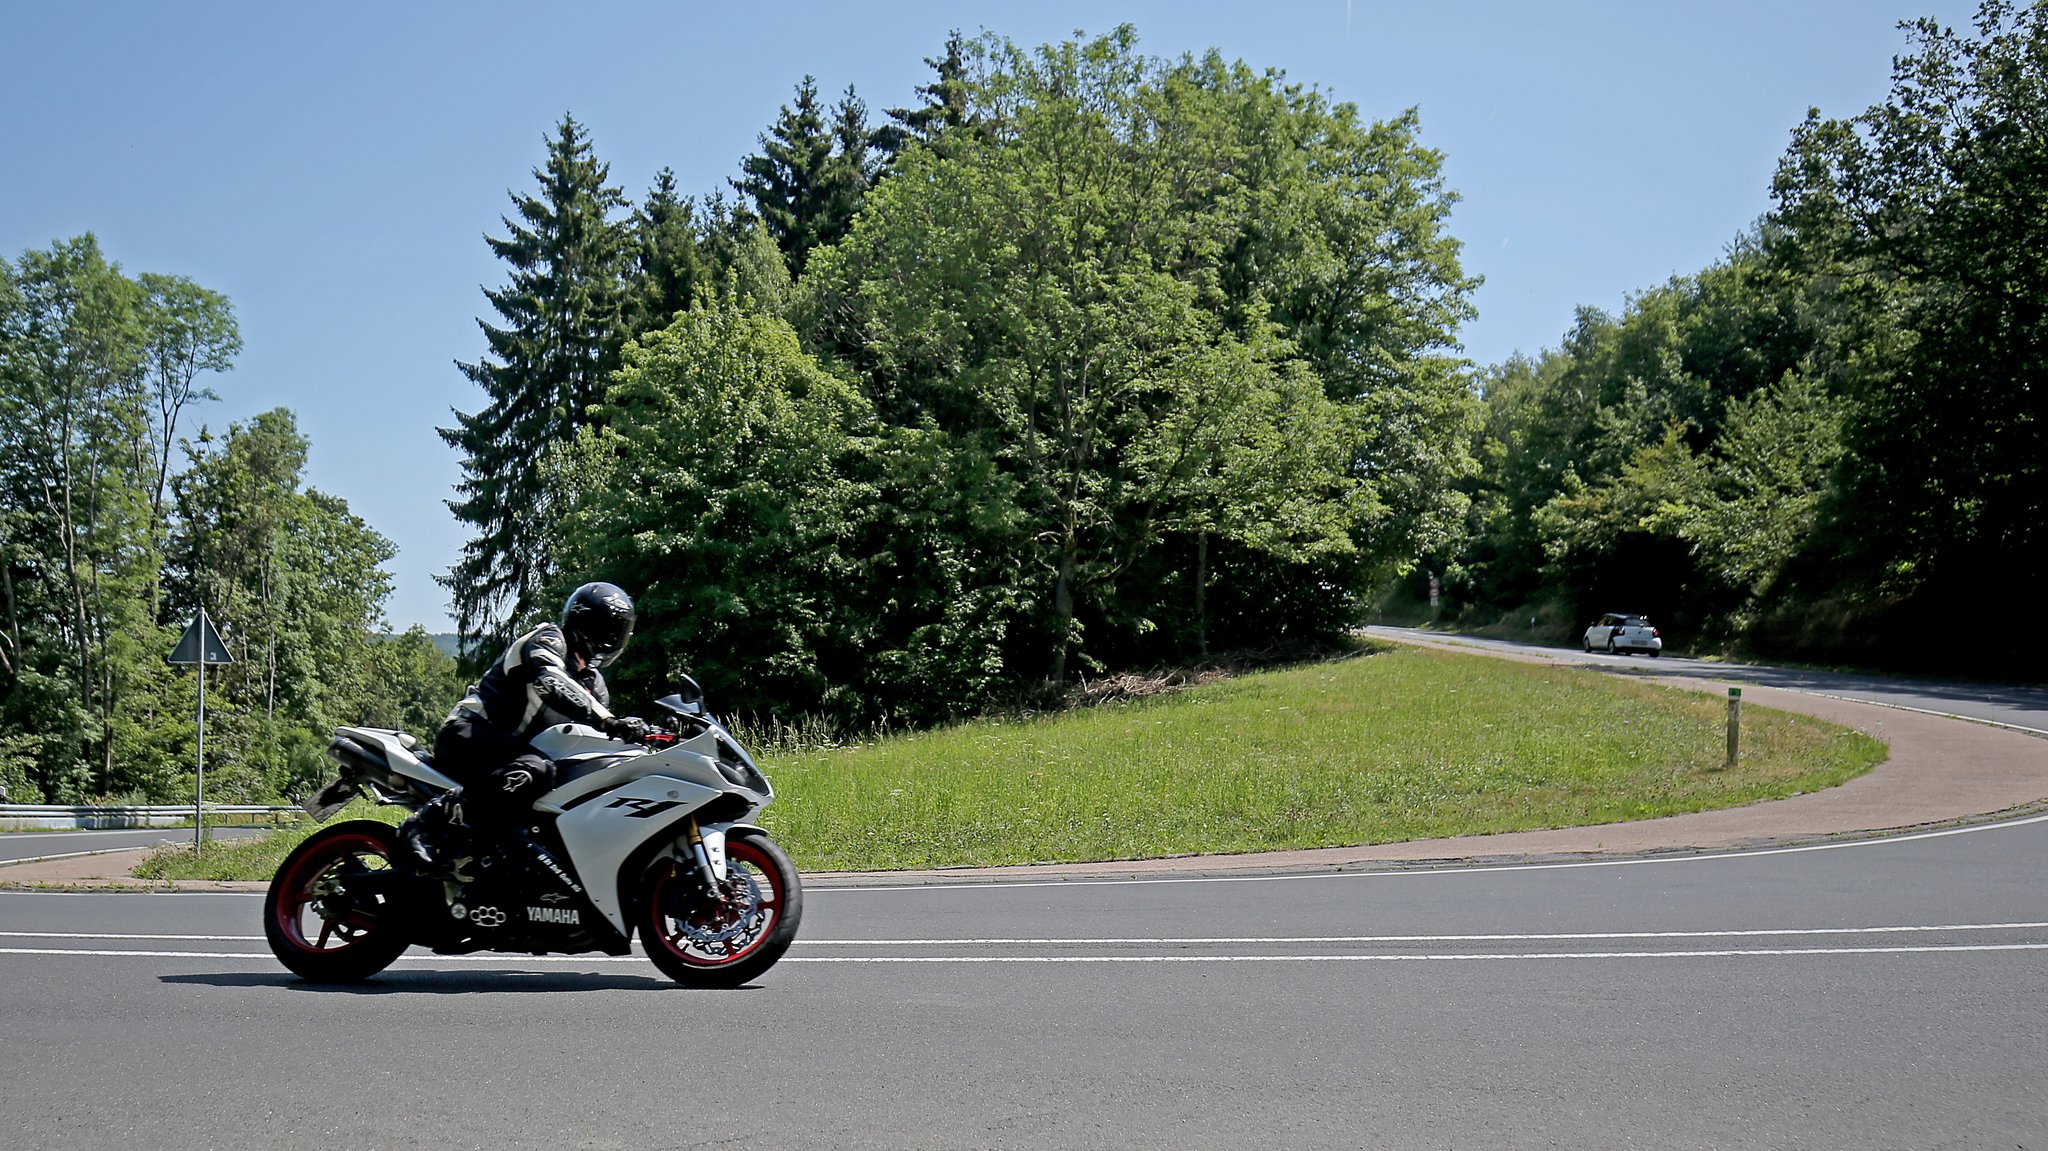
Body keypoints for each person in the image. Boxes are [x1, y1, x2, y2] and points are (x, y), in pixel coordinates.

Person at [400, 581, 654, 874]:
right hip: (468, 735)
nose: (611, 637)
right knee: (538, 770)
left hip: (510, 757)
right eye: (607, 626)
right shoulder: (547, 640)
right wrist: (609, 720)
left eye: (619, 629)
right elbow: (552, 682)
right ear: (584, 620)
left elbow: (595, 735)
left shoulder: (594, 684)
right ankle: (426, 820)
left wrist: (639, 737)